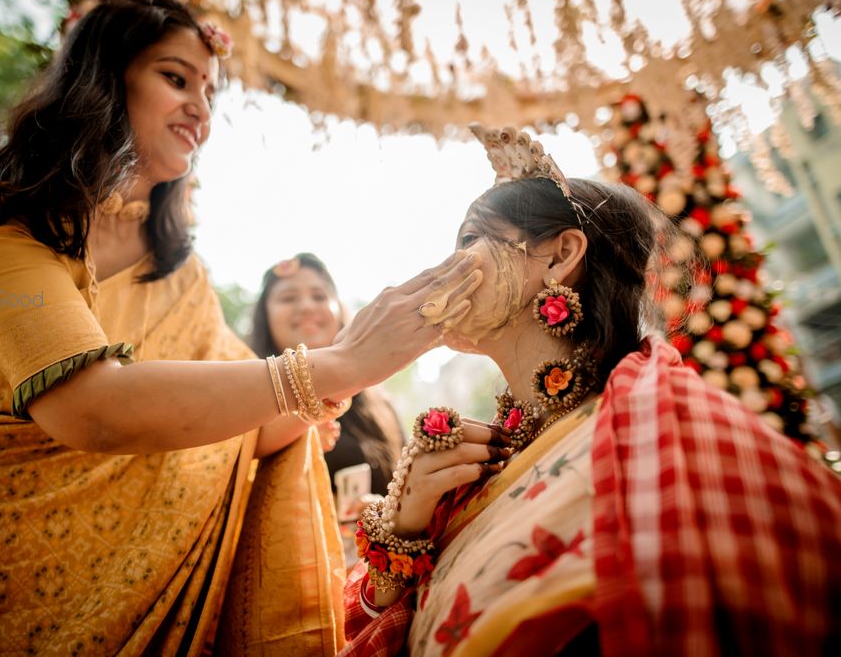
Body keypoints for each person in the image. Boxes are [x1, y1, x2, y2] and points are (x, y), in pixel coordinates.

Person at [0, 0, 484, 655]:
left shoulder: (181, 274)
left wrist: (366, 358)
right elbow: (90, 409)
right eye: (176, 79)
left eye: (210, 90)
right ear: (103, 80)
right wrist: (342, 363)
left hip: (110, 606)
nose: (202, 108)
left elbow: (250, 428)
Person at [341, 123, 841, 656]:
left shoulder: (667, 428)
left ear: (559, 257)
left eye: (469, 240)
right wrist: (405, 527)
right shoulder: (477, 463)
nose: (446, 269)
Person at [249, 252, 406, 565]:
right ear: (265, 316)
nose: (307, 306)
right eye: (288, 298)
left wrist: (385, 513)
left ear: (338, 307)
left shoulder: (377, 402)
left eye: (319, 295)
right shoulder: (248, 402)